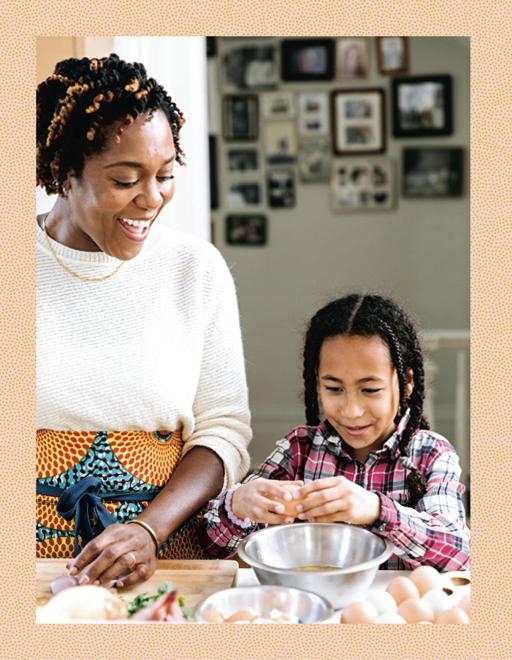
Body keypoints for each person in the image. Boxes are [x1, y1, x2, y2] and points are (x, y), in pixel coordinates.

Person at [36, 53, 252, 588]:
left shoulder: (194, 270)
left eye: (165, 175)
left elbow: (223, 427)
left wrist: (146, 530)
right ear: (63, 173)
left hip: (166, 555)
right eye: (126, 178)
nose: (151, 199)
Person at [199, 294, 470, 571]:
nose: (351, 410)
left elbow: (460, 554)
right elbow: (211, 547)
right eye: (334, 389)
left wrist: (377, 510)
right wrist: (238, 505)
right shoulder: (299, 450)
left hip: (397, 613)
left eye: (370, 390)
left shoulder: (430, 454)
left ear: (407, 382)